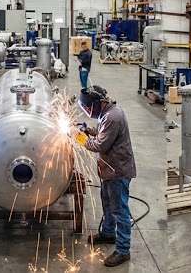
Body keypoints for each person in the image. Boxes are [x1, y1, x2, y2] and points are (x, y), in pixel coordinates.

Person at [73, 85, 136, 267]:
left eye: (88, 108)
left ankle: (123, 250)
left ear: (98, 103)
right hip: (109, 169)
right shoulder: (107, 113)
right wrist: (88, 131)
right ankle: (108, 234)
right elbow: (103, 134)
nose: (87, 111)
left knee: (119, 210)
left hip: (118, 171)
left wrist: (77, 137)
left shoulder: (113, 117)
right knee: (107, 203)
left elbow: (99, 146)